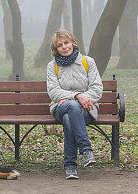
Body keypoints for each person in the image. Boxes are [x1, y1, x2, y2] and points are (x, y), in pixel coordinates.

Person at [46, 30, 103, 180]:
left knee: (69, 119)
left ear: (73, 43)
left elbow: (97, 89)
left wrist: (81, 100)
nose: (64, 47)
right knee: (72, 106)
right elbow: (53, 92)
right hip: (60, 107)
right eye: (60, 45)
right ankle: (86, 150)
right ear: (55, 49)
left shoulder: (87, 62)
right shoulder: (52, 66)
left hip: (87, 108)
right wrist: (76, 96)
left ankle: (70, 165)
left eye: (66, 43)